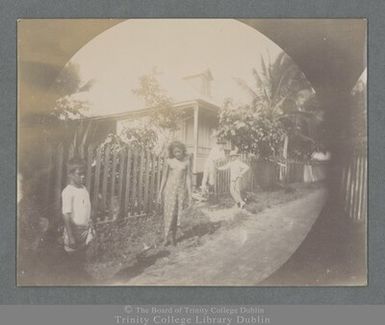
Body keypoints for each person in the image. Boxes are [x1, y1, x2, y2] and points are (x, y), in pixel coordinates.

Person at [157, 141, 192, 246]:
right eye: (175, 152)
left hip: (180, 192)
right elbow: (164, 177)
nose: (177, 154)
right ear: (172, 152)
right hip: (169, 191)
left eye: (179, 151)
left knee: (176, 215)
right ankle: (165, 237)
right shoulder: (169, 161)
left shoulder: (186, 162)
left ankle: (173, 238)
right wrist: (160, 193)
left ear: (182, 150)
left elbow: (188, 179)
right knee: (168, 214)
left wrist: (190, 195)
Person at [61, 158, 94, 265]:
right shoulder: (68, 191)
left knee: (83, 259)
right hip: (74, 231)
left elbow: (85, 208)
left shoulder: (84, 189)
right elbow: (66, 214)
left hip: (85, 230)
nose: (83, 176)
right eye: (79, 174)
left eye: (84, 174)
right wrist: (71, 236)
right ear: (70, 175)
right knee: (72, 261)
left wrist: (89, 220)